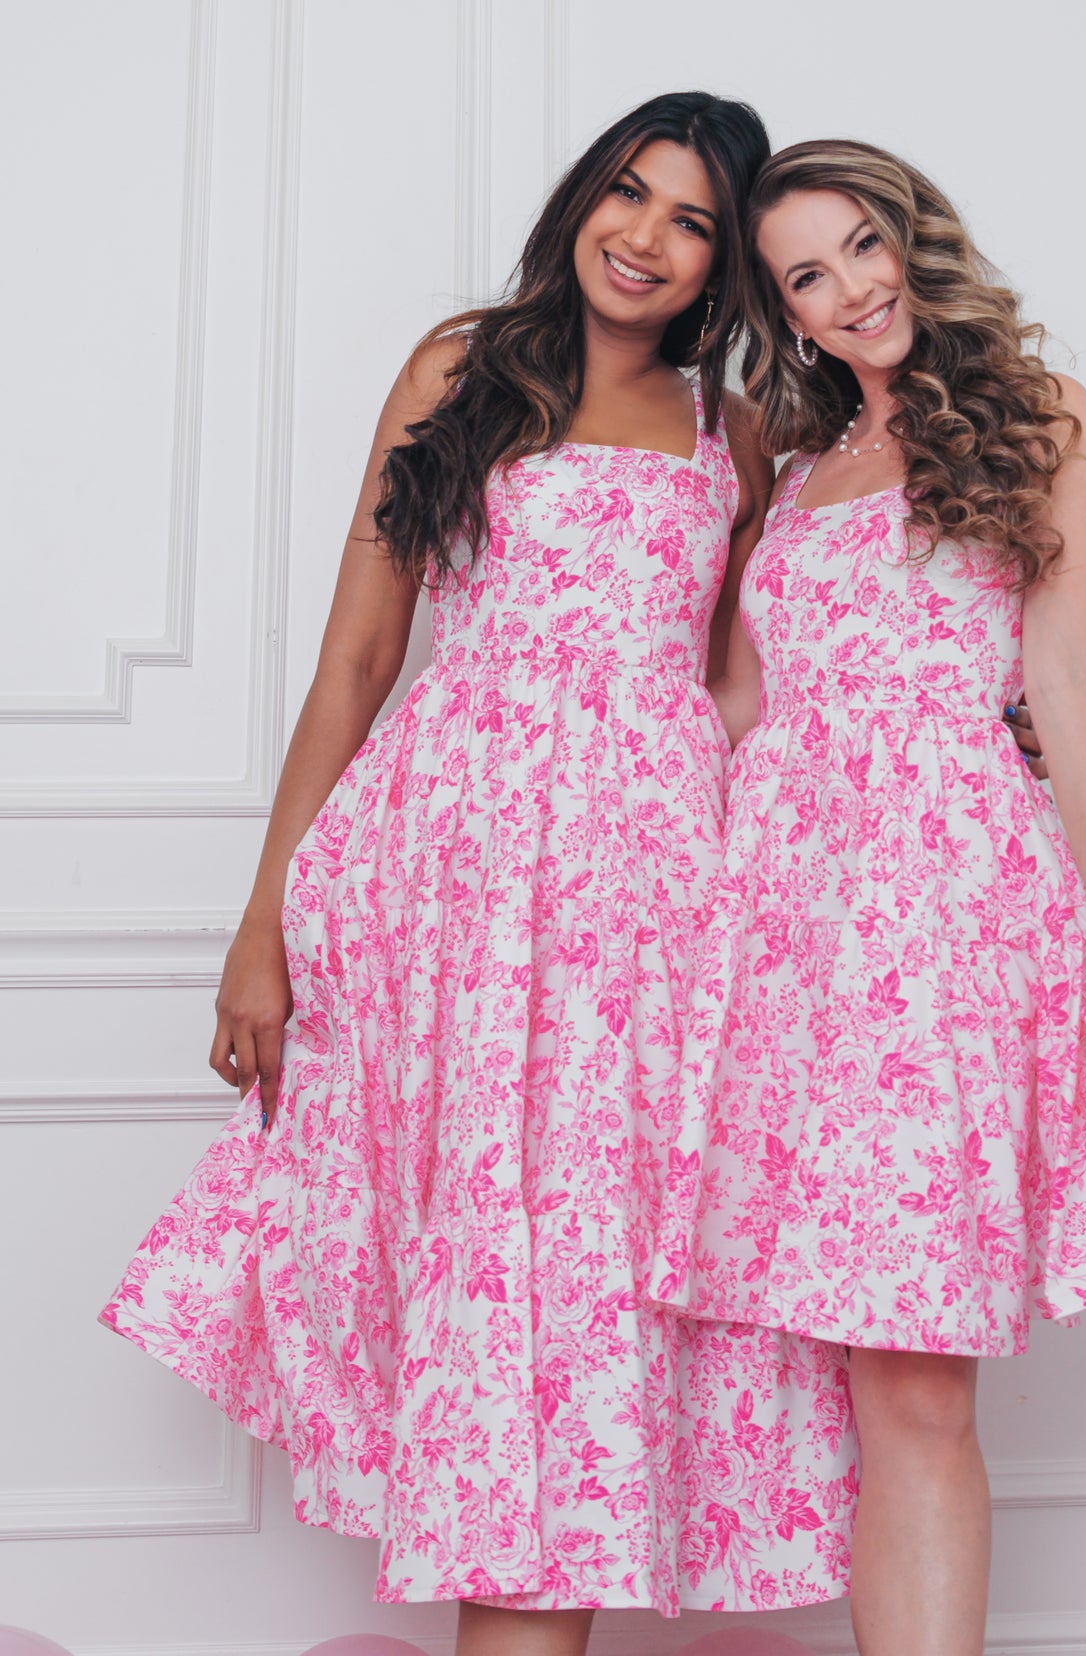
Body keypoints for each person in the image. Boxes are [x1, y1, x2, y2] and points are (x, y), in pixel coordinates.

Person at [102, 94, 859, 1652]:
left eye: (691, 221)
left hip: (648, 901)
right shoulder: (462, 369)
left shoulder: (732, 429)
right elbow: (357, 656)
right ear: (581, 196)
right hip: (451, 881)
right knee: (479, 1258)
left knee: (589, 1272)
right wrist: (262, 925)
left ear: (723, 263)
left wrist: (968, 724)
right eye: (626, 193)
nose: (643, 239)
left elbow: (746, 683)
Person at [651, 138, 1086, 1656]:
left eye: (862, 246)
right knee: (828, 1375)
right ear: (784, 312)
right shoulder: (792, 469)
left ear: (913, 239)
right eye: (805, 277)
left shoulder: (1036, 417)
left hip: (933, 919)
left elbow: (1074, 672)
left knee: (913, 1374)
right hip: (775, 933)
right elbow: (731, 705)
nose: (849, 290)